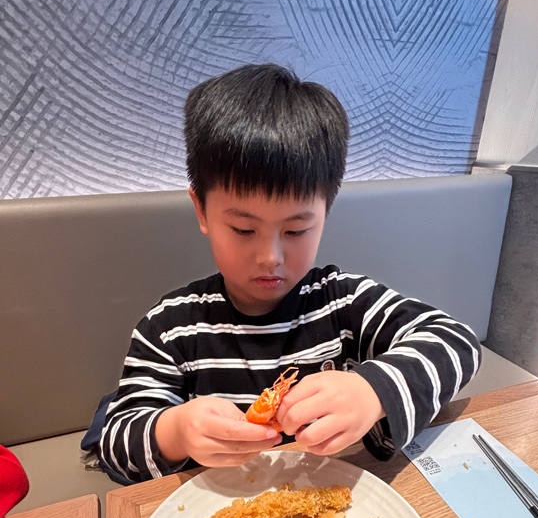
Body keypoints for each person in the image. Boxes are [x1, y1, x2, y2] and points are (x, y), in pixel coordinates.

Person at [91, 63, 481, 483]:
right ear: (201, 210)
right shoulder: (171, 327)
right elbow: (116, 441)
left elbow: (456, 340)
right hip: (216, 507)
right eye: (243, 229)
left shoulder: (343, 302)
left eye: (295, 230)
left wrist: (372, 391)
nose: (270, 257)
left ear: (325, 213)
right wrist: (176, 432)